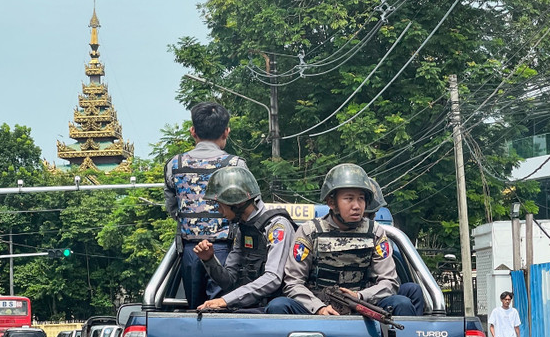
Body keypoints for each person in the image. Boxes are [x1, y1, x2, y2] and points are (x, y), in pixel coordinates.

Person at [266, 163, 418, 316]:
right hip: (316, 310)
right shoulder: (310, 231)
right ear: (331, 202)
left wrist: (359, 297)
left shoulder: (375, 232)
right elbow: (293, 282)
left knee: (402, 303)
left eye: (361, 199)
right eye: (349, 199)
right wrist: (319, 308)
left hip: (363, 308)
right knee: (278, 306)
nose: (356, 206)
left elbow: (389, 281)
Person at [163, 102, 247, 309]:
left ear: (193, 131)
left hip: (190, 250)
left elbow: (173, 209)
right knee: (221, 309)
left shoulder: (174, 164)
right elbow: (247, 209)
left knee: (195, 311)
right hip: (226, 251)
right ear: (226, 131)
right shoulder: (235, 165)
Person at [193, 167, 296, 311]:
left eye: (220, 204)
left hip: (275, 312)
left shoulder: (277, 227)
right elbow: (229, 282)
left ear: (237, 203)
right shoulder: (243, 229)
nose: (219, 210)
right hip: (249, 310)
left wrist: (225, 300)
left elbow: (273, 278)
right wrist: (209, 260)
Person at [365, 177, 425, 316]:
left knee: (413, 289)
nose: (375, 215)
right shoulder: (321, 234)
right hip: (347, 297)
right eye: (371, 212)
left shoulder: (378, 234)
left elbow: (388, 279)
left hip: (374, 293)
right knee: (402, 303)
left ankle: (415, 328)